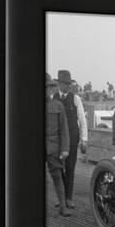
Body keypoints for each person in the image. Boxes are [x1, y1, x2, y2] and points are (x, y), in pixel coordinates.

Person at [53, 70, 88, 210]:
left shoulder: (76, 99)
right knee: (58, 168)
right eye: (64, 83)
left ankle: (69, 198)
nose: (67, 86)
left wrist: (84, 139)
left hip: (73, 137)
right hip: (58, 139)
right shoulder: (53, 98)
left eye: (69, 84)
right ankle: (61, 197)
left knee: (70, 167)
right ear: (59, 83)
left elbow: (82, 120)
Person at [46, 74, 71, 217]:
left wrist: (65, 149)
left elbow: (64, 129)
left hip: (53, 147)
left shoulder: (58, 106)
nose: (47, 90)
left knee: (57, 176)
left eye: (49, 87)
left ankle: (63, 206)